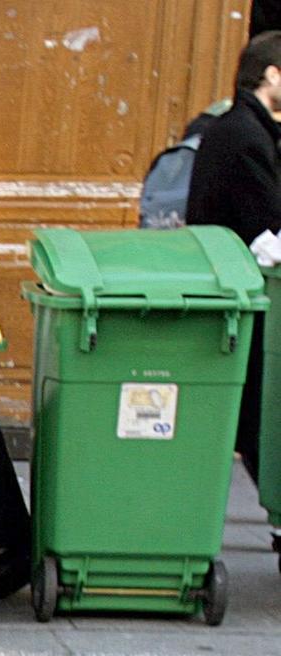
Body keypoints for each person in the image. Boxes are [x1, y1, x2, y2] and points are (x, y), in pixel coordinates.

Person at [188, 31, 281, 509]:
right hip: (240, 296)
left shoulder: (244, 129)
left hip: (232, 292)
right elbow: (269, 236)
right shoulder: (246, 137)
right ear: (272, 75)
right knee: (255, 415)